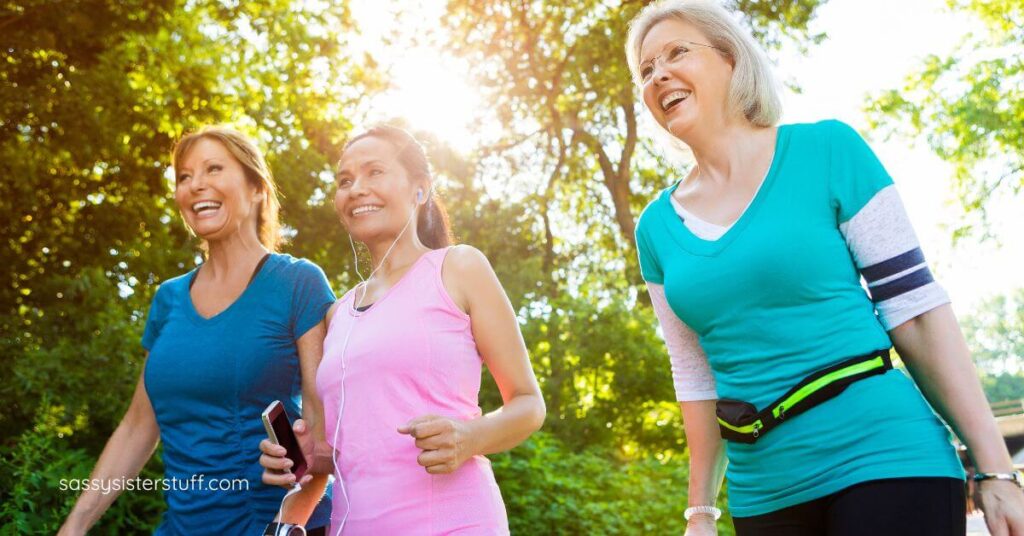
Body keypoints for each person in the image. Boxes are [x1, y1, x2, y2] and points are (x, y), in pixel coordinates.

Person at [624, 1, 1024, 534]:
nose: (660, 75)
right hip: (764, 491)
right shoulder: (656, 229)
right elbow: (696, 376)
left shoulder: (828, 150)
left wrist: (995, 468)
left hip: (886, 458)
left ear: (729, 58)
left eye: (677, 53)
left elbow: (916, 310)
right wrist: (700, 512)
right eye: (646, 69)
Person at [259, 125, 546, 535]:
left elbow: (528, 404)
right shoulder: (337, 313)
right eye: (344, 180)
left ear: (421, 189)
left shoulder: (459, 267)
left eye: (374, 172)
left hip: (455, 522)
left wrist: (469, 436)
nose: (356, 188)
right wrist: (303, 456)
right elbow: (349, 453)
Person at [59, 126, 334, 535]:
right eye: (184, 177)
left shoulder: (298, 283)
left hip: (272, 524)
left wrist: (287, 525)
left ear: (256, 188)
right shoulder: (169, 299)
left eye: (213, 169)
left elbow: (323, 430)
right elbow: (138, 426)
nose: (195, 185)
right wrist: (75, 525)